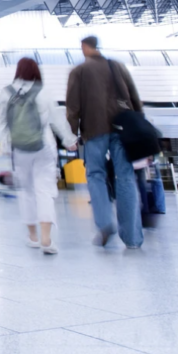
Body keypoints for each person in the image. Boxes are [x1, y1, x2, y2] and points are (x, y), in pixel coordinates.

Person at [66, 35, 144, 249]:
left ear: (84, 47)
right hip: (123, 129)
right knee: (126, 177)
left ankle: (104, 223)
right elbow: (134, 97)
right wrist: (140, 126)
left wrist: (71, 134)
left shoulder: (79, 72)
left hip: (94, 130)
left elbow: (73, 106)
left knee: (95, 174)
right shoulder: (117, 66)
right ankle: (133, 238)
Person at [0, 58, 78, 253]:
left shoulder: (6, 92)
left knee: (26, 192)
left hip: (19, 149)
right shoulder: (43, 91)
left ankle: (32, 236)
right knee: (44, 191)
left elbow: (1, 123)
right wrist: (69, 140)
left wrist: (6, 145)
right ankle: (46, 238)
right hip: (44, 146)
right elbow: (58, 119)